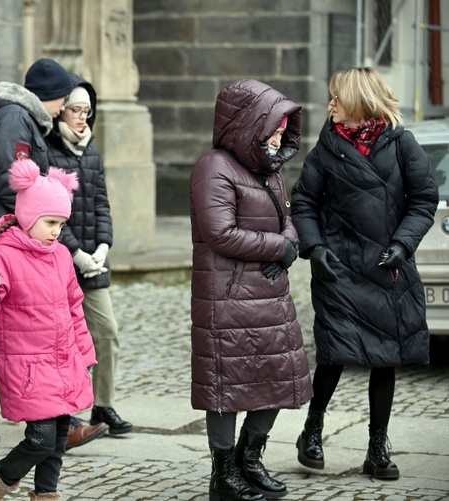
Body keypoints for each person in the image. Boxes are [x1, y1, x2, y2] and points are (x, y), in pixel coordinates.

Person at [0, 58, 108, 449]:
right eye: (62, 102)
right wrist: (40, 211)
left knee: (36, 328)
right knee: (1, 334)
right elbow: (12, 181)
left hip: (15, 235)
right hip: (8, 238)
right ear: (48, 98)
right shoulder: (16, 119)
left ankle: (60, 417)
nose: (62, 110)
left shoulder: (21, 119)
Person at [291, 67, 438, 481]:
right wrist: (315, 248)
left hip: (387, 266)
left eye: (336, 97)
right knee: (334, 352)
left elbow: (424, 199)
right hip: (338, 268)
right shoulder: (327, 146)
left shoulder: (401, 143)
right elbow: (302, 201)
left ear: (357, 100)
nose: (330, 104)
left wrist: (403, 243)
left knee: (385, 358)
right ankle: (312, 431)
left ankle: (377, 448)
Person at [189, 79, 313, 501]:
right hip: (226, 298)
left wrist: (290, 239)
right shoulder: (214, 167)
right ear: (248, 124)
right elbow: (219, 232)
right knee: (225, 387)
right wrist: (281, 246)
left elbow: (286, 217)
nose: (280, 134)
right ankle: (223, 474)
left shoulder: (270, 168)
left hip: (270, 295)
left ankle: (250, 459)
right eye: (273, 126)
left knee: (278, 378)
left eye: (283, 126)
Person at [0, 158, 94, 501]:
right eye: (50, 222)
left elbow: (74, 308)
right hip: (28, 366)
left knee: (56, 441)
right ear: (28, 217)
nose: (56, 230)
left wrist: (85, 354)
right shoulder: (4, 256)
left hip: (63, 361)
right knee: (39, 440)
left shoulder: (62, 256)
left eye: (61, 223)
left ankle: (45, 495)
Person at [44, 76, 132, 435]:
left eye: (88, 111)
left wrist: (103, 247)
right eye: (76, 110)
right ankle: (67, 411)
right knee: (65, 339)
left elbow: (101, 204)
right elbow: (47, 211)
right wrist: (76, 252)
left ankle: (103, 406)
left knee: (106, 331)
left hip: (94, 261)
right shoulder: (47, 150)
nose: (83, 118)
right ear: (61, 110)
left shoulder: (92, 149)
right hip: (61, 260)